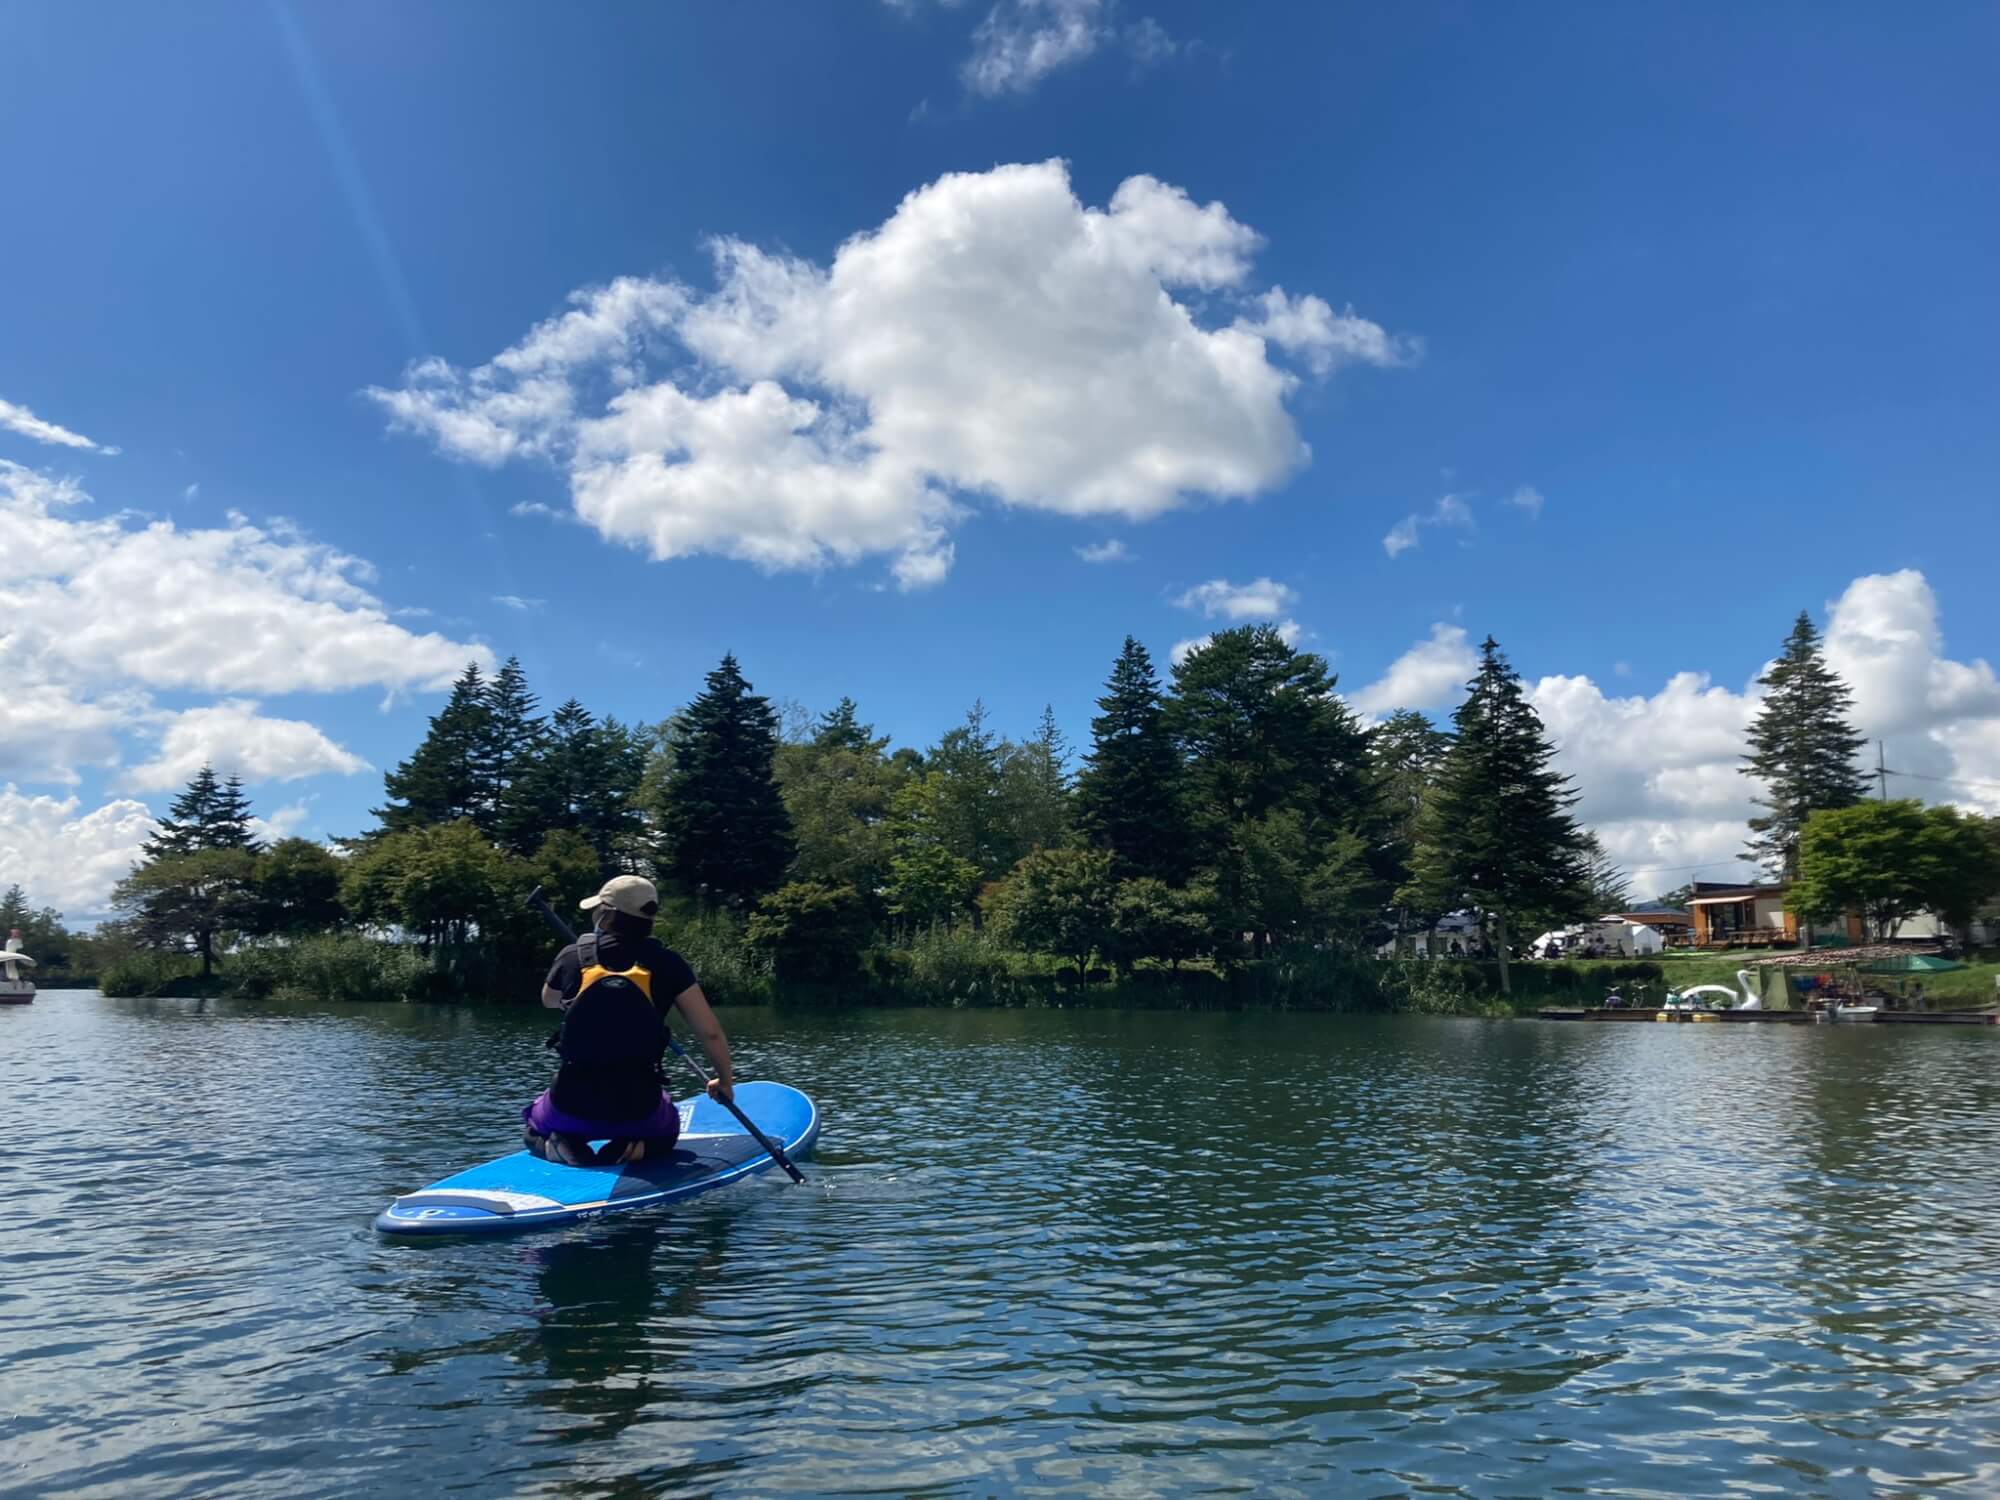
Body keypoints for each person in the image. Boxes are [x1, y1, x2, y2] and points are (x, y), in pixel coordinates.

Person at [523, 875, 735, 1168]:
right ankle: (632, 1148)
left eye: (598, 910)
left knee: (532, 1125)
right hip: (639, 1110)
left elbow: (549, 999)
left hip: (569, 1104)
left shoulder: (573, 956)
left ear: (607, 914)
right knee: (667, 1131)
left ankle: (557, 1143)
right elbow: (710, 1033)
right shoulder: (668, 963)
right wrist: (724, 1082)